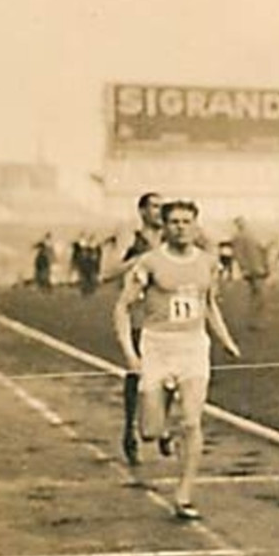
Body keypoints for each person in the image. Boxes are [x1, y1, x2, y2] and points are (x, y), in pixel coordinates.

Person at [113, 200, 241, 521]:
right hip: (157, 346)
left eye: (187, 221)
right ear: (165, 226)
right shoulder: (149, 263)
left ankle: (184, 495)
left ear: (196, 225)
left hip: (193, 347)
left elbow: (208, 304)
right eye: (175, 222)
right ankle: (163, 418)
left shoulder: (209, 263)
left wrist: (226, 340)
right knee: (150, 431)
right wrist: (131, 354)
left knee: (192, 422)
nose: (181, 227)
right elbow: (121, 307)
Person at [118, 192, 163, 465]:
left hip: (166, 317)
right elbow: (108, 270)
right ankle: (130, 429)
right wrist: (143, 259)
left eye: (161, 206)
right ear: (142, 211)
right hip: (139, 315)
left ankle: (163, 425)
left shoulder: (172, 238)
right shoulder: (132, 238)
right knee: (138, 374)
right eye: (154, 206)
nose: (159, 211)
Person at [231, 217, 271, 322]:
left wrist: (265, 264)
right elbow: (238, 255)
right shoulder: (239, 237)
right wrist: (244, 268)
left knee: (258, 294)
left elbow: (261, 251)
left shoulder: (249, 236)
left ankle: (255, 318)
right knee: (259, 294)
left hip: (257, 267)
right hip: (253, 269)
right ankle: (254, 319)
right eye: (240, 223)